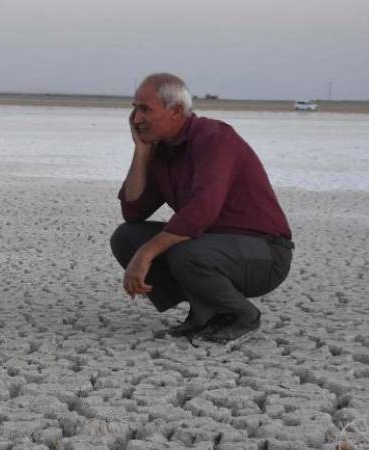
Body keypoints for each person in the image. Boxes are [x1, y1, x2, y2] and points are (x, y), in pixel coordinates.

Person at [109, 73, 294, 343]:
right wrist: (141, 151)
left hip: (265, 253)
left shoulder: (214, 138)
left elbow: (202, 211)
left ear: (176, 111)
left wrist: (147, 253)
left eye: (145, 109)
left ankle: (242, 315)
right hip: (211, 246)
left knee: (184, 251)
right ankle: (204, 312)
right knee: (127, 237)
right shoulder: (162, 151)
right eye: (134, 109)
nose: (136, 119)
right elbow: (134, 212)